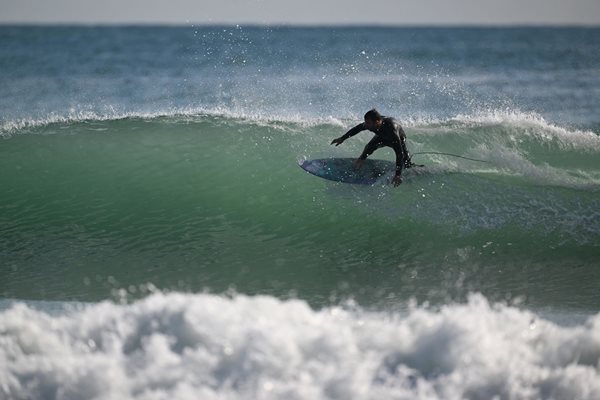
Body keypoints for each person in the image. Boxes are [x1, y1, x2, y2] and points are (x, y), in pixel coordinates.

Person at [331, 109, 414, 186]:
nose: (366, 125)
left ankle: (410, 167)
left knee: (405, 161)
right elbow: (357, 129)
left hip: (398, 138)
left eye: (368, 123)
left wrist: (397, 175)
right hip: (381, 136)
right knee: (369, 147)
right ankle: (360, 160)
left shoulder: (391, 130)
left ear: (377, 121)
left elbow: (399, 153)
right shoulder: (371, 124)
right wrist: (342, 138)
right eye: (366, 122)